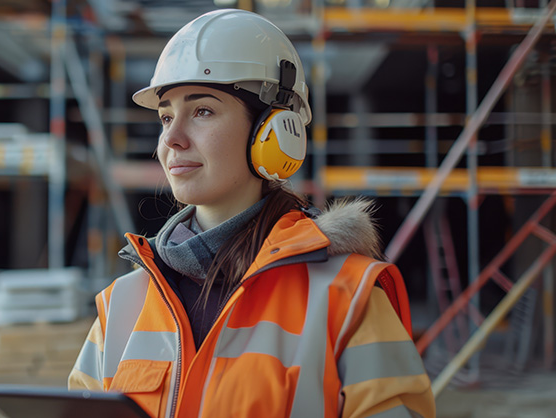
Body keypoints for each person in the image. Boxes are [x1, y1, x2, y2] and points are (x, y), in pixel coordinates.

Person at [68, 9, 434, 418]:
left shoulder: (345, 299)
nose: (170, 138)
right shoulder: (122, 304)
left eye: (202, 111)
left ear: (275, 132)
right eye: (166, 116)